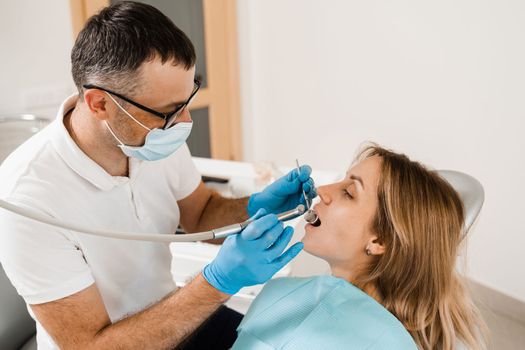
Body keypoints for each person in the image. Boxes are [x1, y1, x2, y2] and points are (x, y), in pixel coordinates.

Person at [0, 2, 315, 349]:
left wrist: (256, 206)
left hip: (176, 315)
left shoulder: (150, 139)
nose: (183, 123)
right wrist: (218, 282)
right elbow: (89, 346)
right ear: (99, 104)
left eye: (185, 101)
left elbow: (200, 214)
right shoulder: (27, 200)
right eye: (167, 112)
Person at [234, 144, 487, 350]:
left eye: (348, 192)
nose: (322, 190)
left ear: (379, 241)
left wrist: (220, 282)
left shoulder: (288, 300)